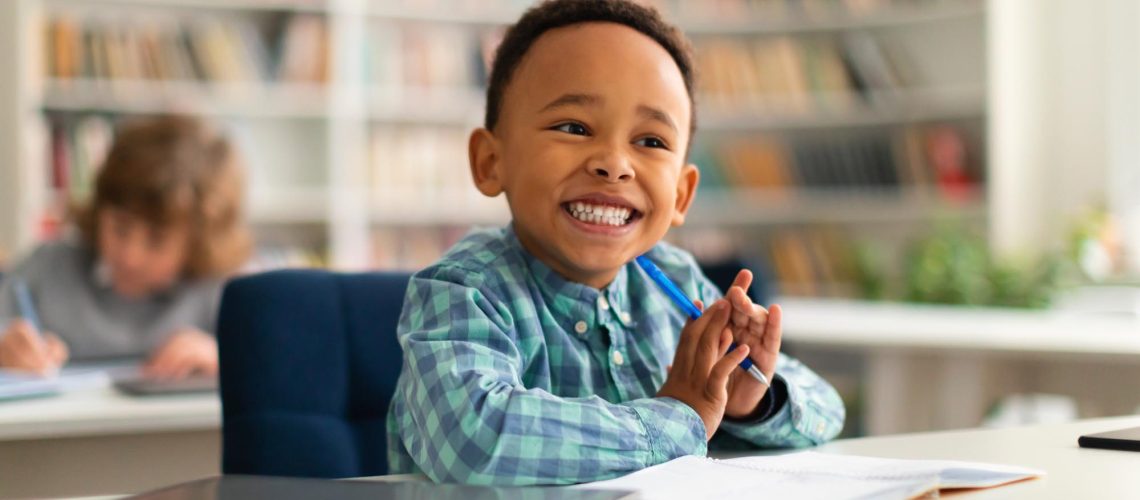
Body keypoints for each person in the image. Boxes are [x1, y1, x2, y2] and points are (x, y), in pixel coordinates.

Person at [386, 0, 845, 484]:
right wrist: (678, 417)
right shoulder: (463, 291)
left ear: (682, 194)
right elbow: (471, 436)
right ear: (489, 162)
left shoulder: (681, 284)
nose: (614, 163)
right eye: (574, 128)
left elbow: (826, 406)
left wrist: (749, 399)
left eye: (650, 141)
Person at [0, 115, 251, 379]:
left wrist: (226, 357)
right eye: (120, 228)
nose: (131, 256)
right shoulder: (47, 267)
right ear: (99, 212)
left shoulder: (222, 293)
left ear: (197, 243)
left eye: (157, 240)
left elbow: (280, 370)